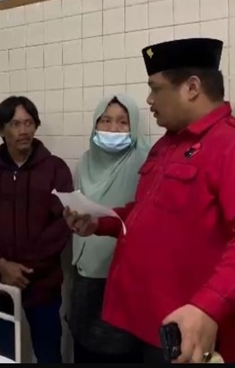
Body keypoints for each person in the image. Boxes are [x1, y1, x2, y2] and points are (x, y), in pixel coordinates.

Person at [64, 38, 235, 364]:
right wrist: (100, 222)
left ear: (192, 88)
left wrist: (208, 305)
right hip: (141, 321)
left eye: (156, 88)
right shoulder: (167, 146)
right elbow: (147, 213)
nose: (150, 100)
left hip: (185, 332)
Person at [0, 95, 73, 363]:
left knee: (48, 354)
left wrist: (23, 269)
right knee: (1, 355)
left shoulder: (55, 169)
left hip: (43, 283)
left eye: (28, 123)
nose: (23, 130)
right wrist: (2, 264)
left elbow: (61, 225)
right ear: (0, 130)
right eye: (15, 124)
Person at [68, 94, 150, 363]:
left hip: (125, 278)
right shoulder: (85, 162)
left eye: (122, 122)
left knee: (121, 352)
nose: (113, 129)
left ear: (134, 126)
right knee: (84, 349)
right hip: (85, 274)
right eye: (105, 120)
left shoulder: (146, 162)